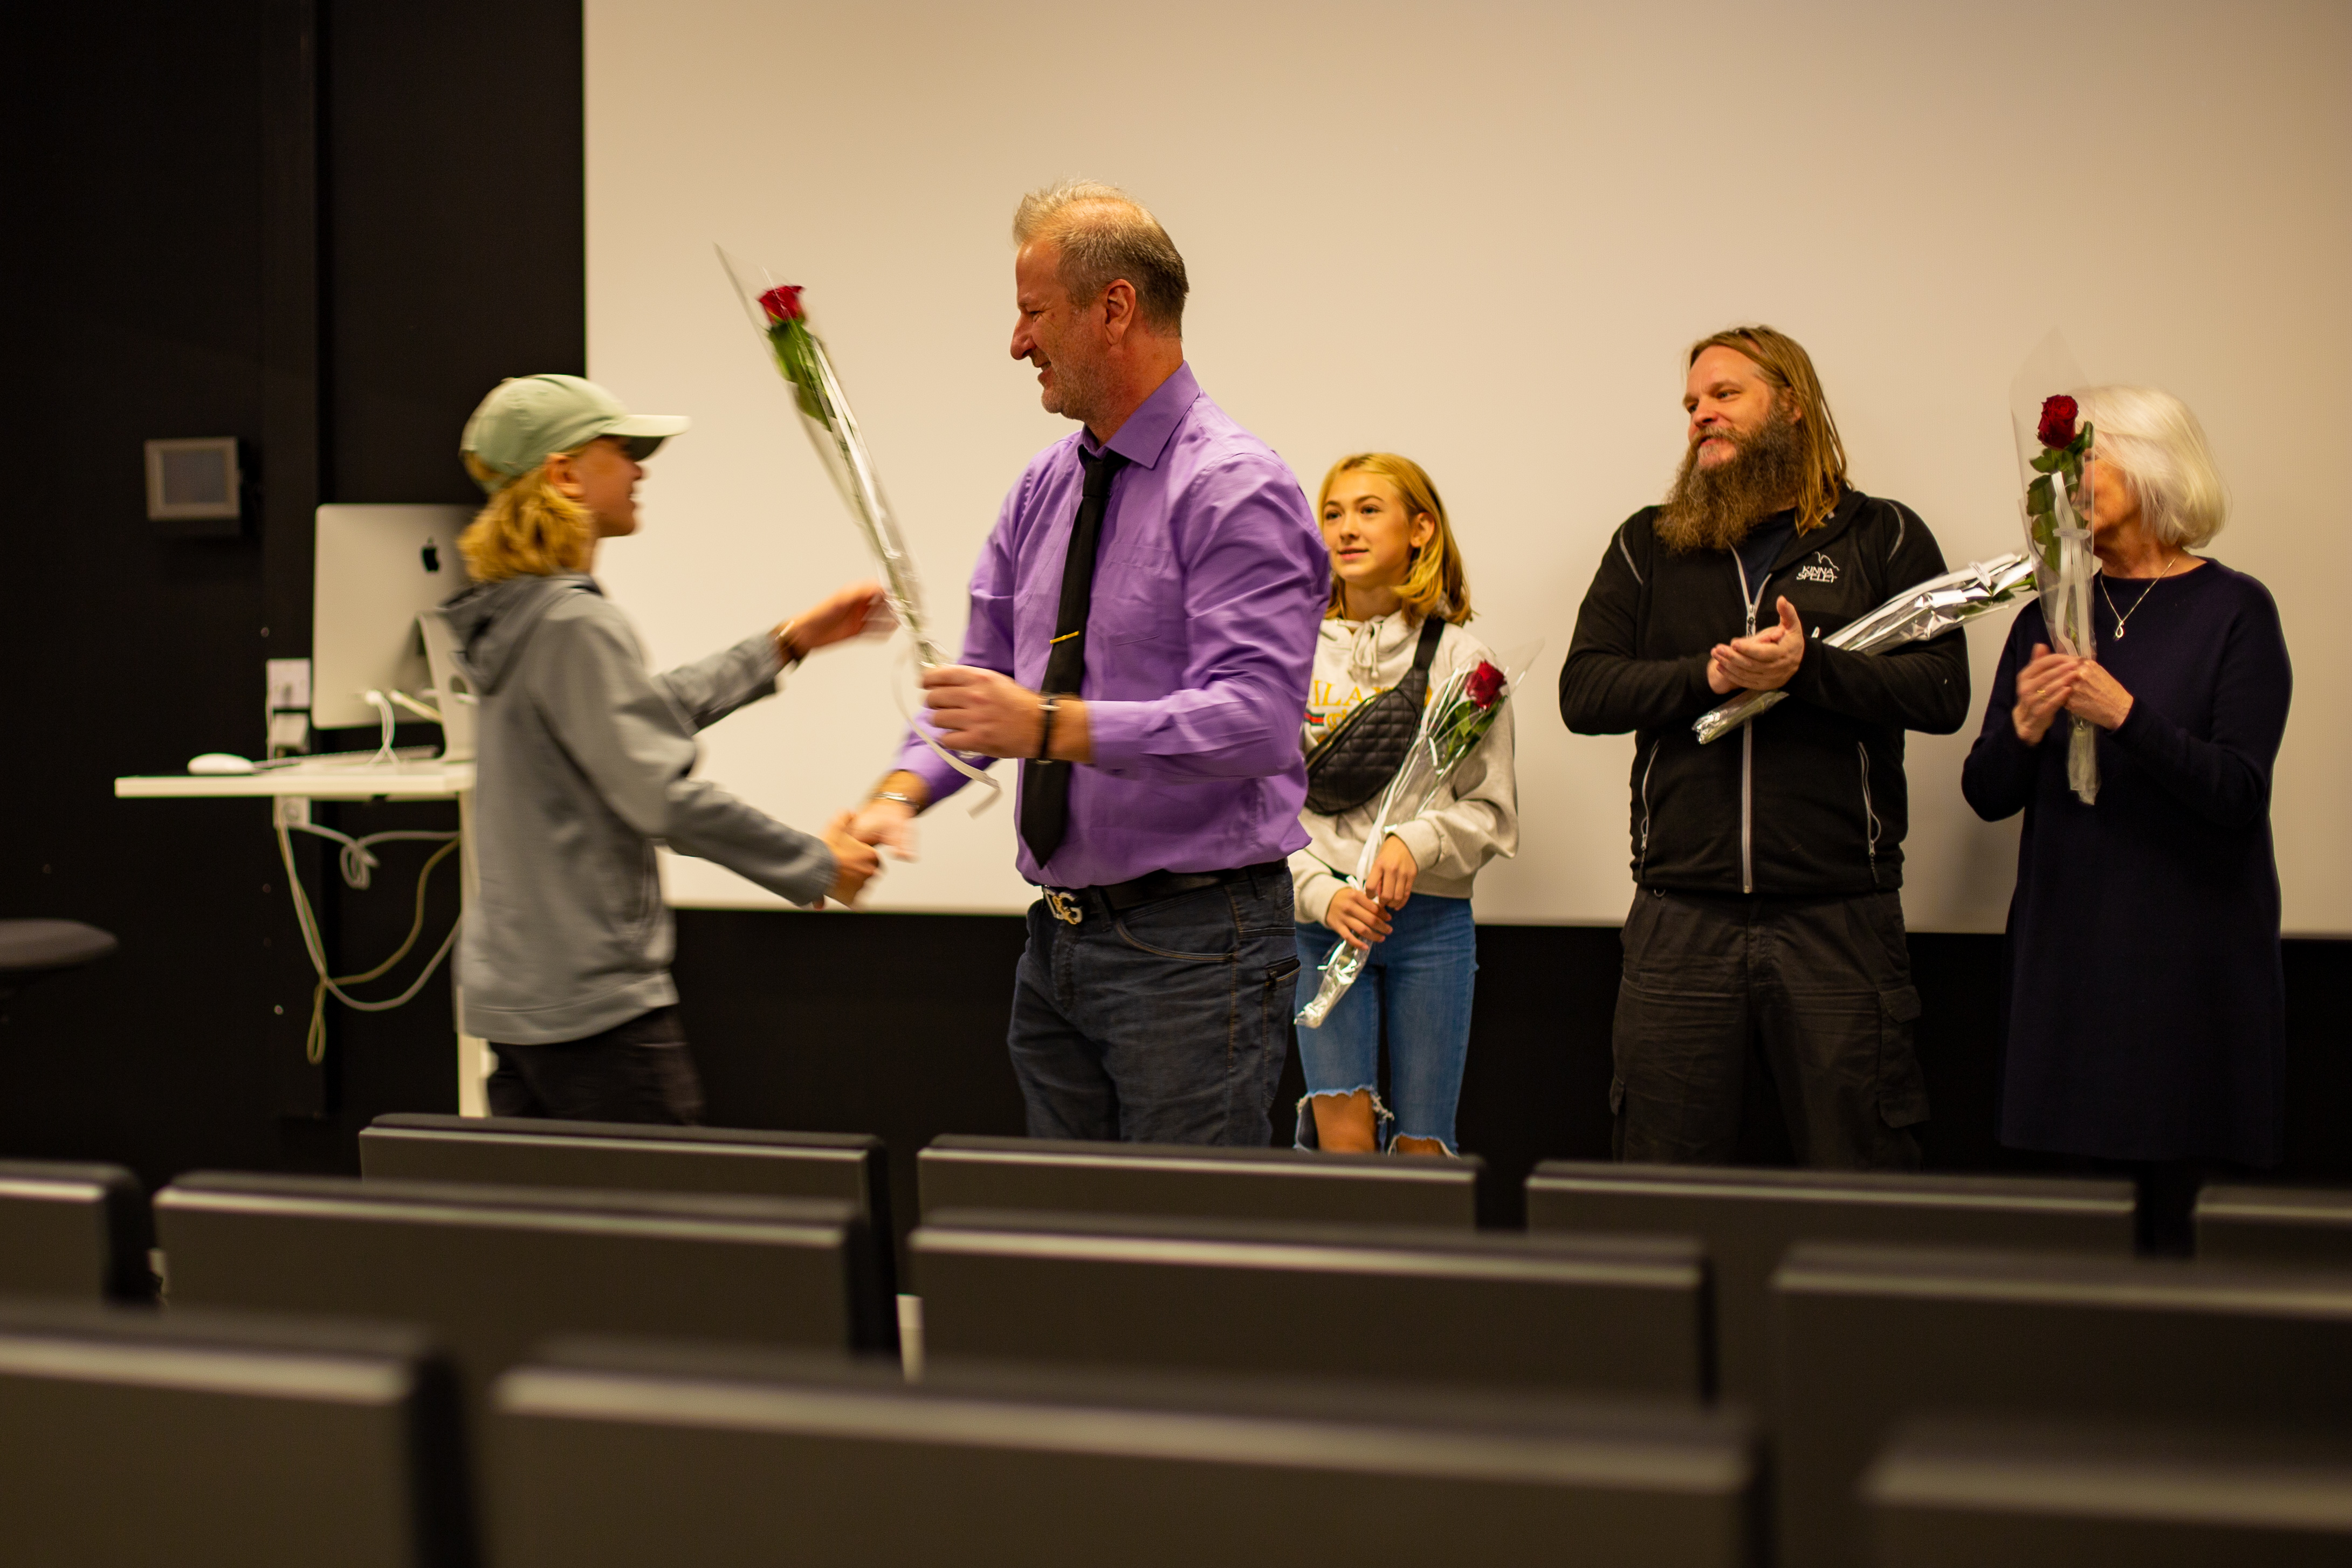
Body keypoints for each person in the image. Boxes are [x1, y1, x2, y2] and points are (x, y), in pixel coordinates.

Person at [847, 181, 1327, 1147]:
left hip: (1197, 949)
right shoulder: (1041, 489)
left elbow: (1259, 723)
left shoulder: (1235, 487)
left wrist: (1050, 727)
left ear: (1113, 309)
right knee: (1061, 1250)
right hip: (1057, 945)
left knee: (1182, 1258)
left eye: (1032, 313)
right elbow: (976, 688)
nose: (1016, 342)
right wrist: (895, 796)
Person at [1560, 325, 1968, 1169]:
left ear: (1789, 403)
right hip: (1679, 919)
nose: (1700, 416)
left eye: (1723, 396)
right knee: (1657, 1183)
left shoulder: (1884, 537)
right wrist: (1708, 678)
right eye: (1690, 404)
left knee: (1861, 1172)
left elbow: (1940, 694)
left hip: (1839, 921)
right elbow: (1585, 693)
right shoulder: (1648, 544)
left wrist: (1806, 669)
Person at [444, 373, 884, 1124]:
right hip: (595, 1010)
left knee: (550, 1236)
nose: (641, 468)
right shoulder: (573, 625)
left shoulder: (517, 619)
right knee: (663, 1235)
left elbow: (635, 718)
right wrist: (817, 864)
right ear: (564, 474)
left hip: (519, 1001)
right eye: (622, 450)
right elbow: (659, 794)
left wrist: (787, 643)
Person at [1961, 385, 2289, 1245]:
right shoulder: (2046, 610)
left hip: (2187, 967)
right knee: (2072, 1232)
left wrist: (2126, 716)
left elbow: (2237, 793)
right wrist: (2027, 728)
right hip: (2066, 956)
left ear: (2150, 468)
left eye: (2084, 460)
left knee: (2175, 1224)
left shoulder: (2235, 610)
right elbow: (1986, 792)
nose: (2062, 482)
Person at [1291, 453, 1516, 1156]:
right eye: (1332, 512)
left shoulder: (1463, 661)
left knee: (1424, 1150)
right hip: (1321, 923)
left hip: (1430, 929)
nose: (1345, 529)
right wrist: (1315, 892)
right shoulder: (1287, 654)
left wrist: (1413, 844)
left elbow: (1492, 810)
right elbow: (1252, 806)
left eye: (1367, 510)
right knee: (1342, 1147)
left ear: (1421, 529)